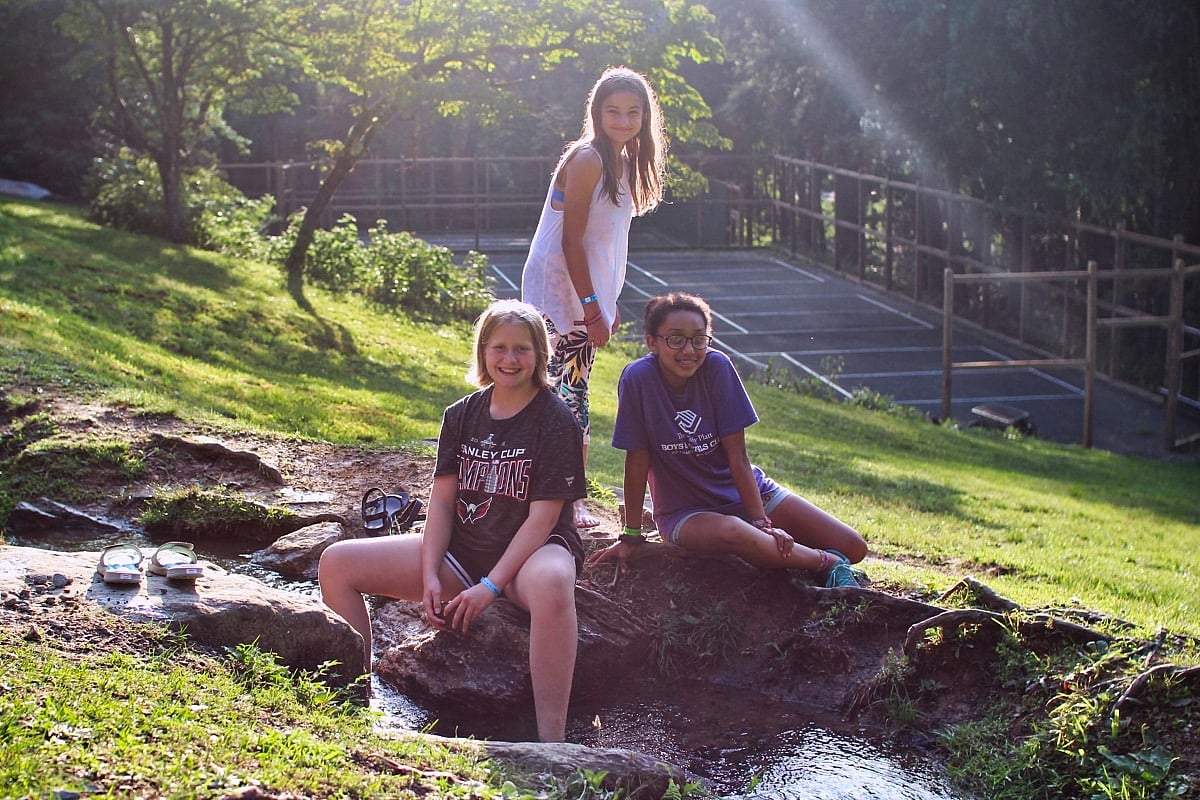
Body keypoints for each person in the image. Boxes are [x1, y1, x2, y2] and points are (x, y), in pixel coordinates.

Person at [318, 299, 585, 742]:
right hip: (464, 550)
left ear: (540, 355)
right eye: (499, 347)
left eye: (522, 349)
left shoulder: (556, 420)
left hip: (531, 555)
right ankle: (355, 706)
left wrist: (491, 587)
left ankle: (551, 744)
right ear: (482, 353)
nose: (510, 359)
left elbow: (544, 518)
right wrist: (429, 577)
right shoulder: (462, 414)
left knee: (555, 580)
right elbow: (441, 504)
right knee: (336, 562)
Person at [587, 292, 868, 586]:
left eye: (699, 339)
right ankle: (829, 563)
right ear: (652, 342)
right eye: (676, 339)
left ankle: (788, 550)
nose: (689, 349)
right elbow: (636, 462)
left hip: (748, 494)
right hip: (687, 513)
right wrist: (632, 535)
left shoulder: (717, 367)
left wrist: (761, 523)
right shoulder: (637, 379)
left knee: (853, 546)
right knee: (733, 531)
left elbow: (738, 456)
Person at [521, 66, 668, 530]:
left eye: (633, 112)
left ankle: (557, 492)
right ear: (597, 113)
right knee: (564, 393)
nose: (623, 120)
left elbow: (606, 242)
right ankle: (564, 499)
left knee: (568, 391)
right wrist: (590, 305)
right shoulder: (588, 159)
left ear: (645, 117)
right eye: (613, 111)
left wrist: (607, 299)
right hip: (559, 289)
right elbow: (570, 242)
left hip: (584, 289)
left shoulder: (624, 161)